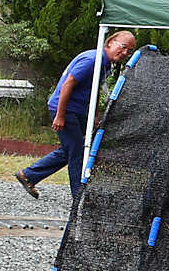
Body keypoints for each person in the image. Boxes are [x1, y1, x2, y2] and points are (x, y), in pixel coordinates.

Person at [14, 30, 137, 202]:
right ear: (110, 42)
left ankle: (28, 175)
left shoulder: (106, 64)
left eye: (129, 51)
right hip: (65, 109)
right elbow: (67, 84)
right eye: (123, 47)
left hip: (79, 110)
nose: (124, 53)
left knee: (71, 149)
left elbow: (94, 90)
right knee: (76, 153)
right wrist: (60, 115)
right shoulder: (92, 60)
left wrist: (94, 115)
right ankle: (79, 197)